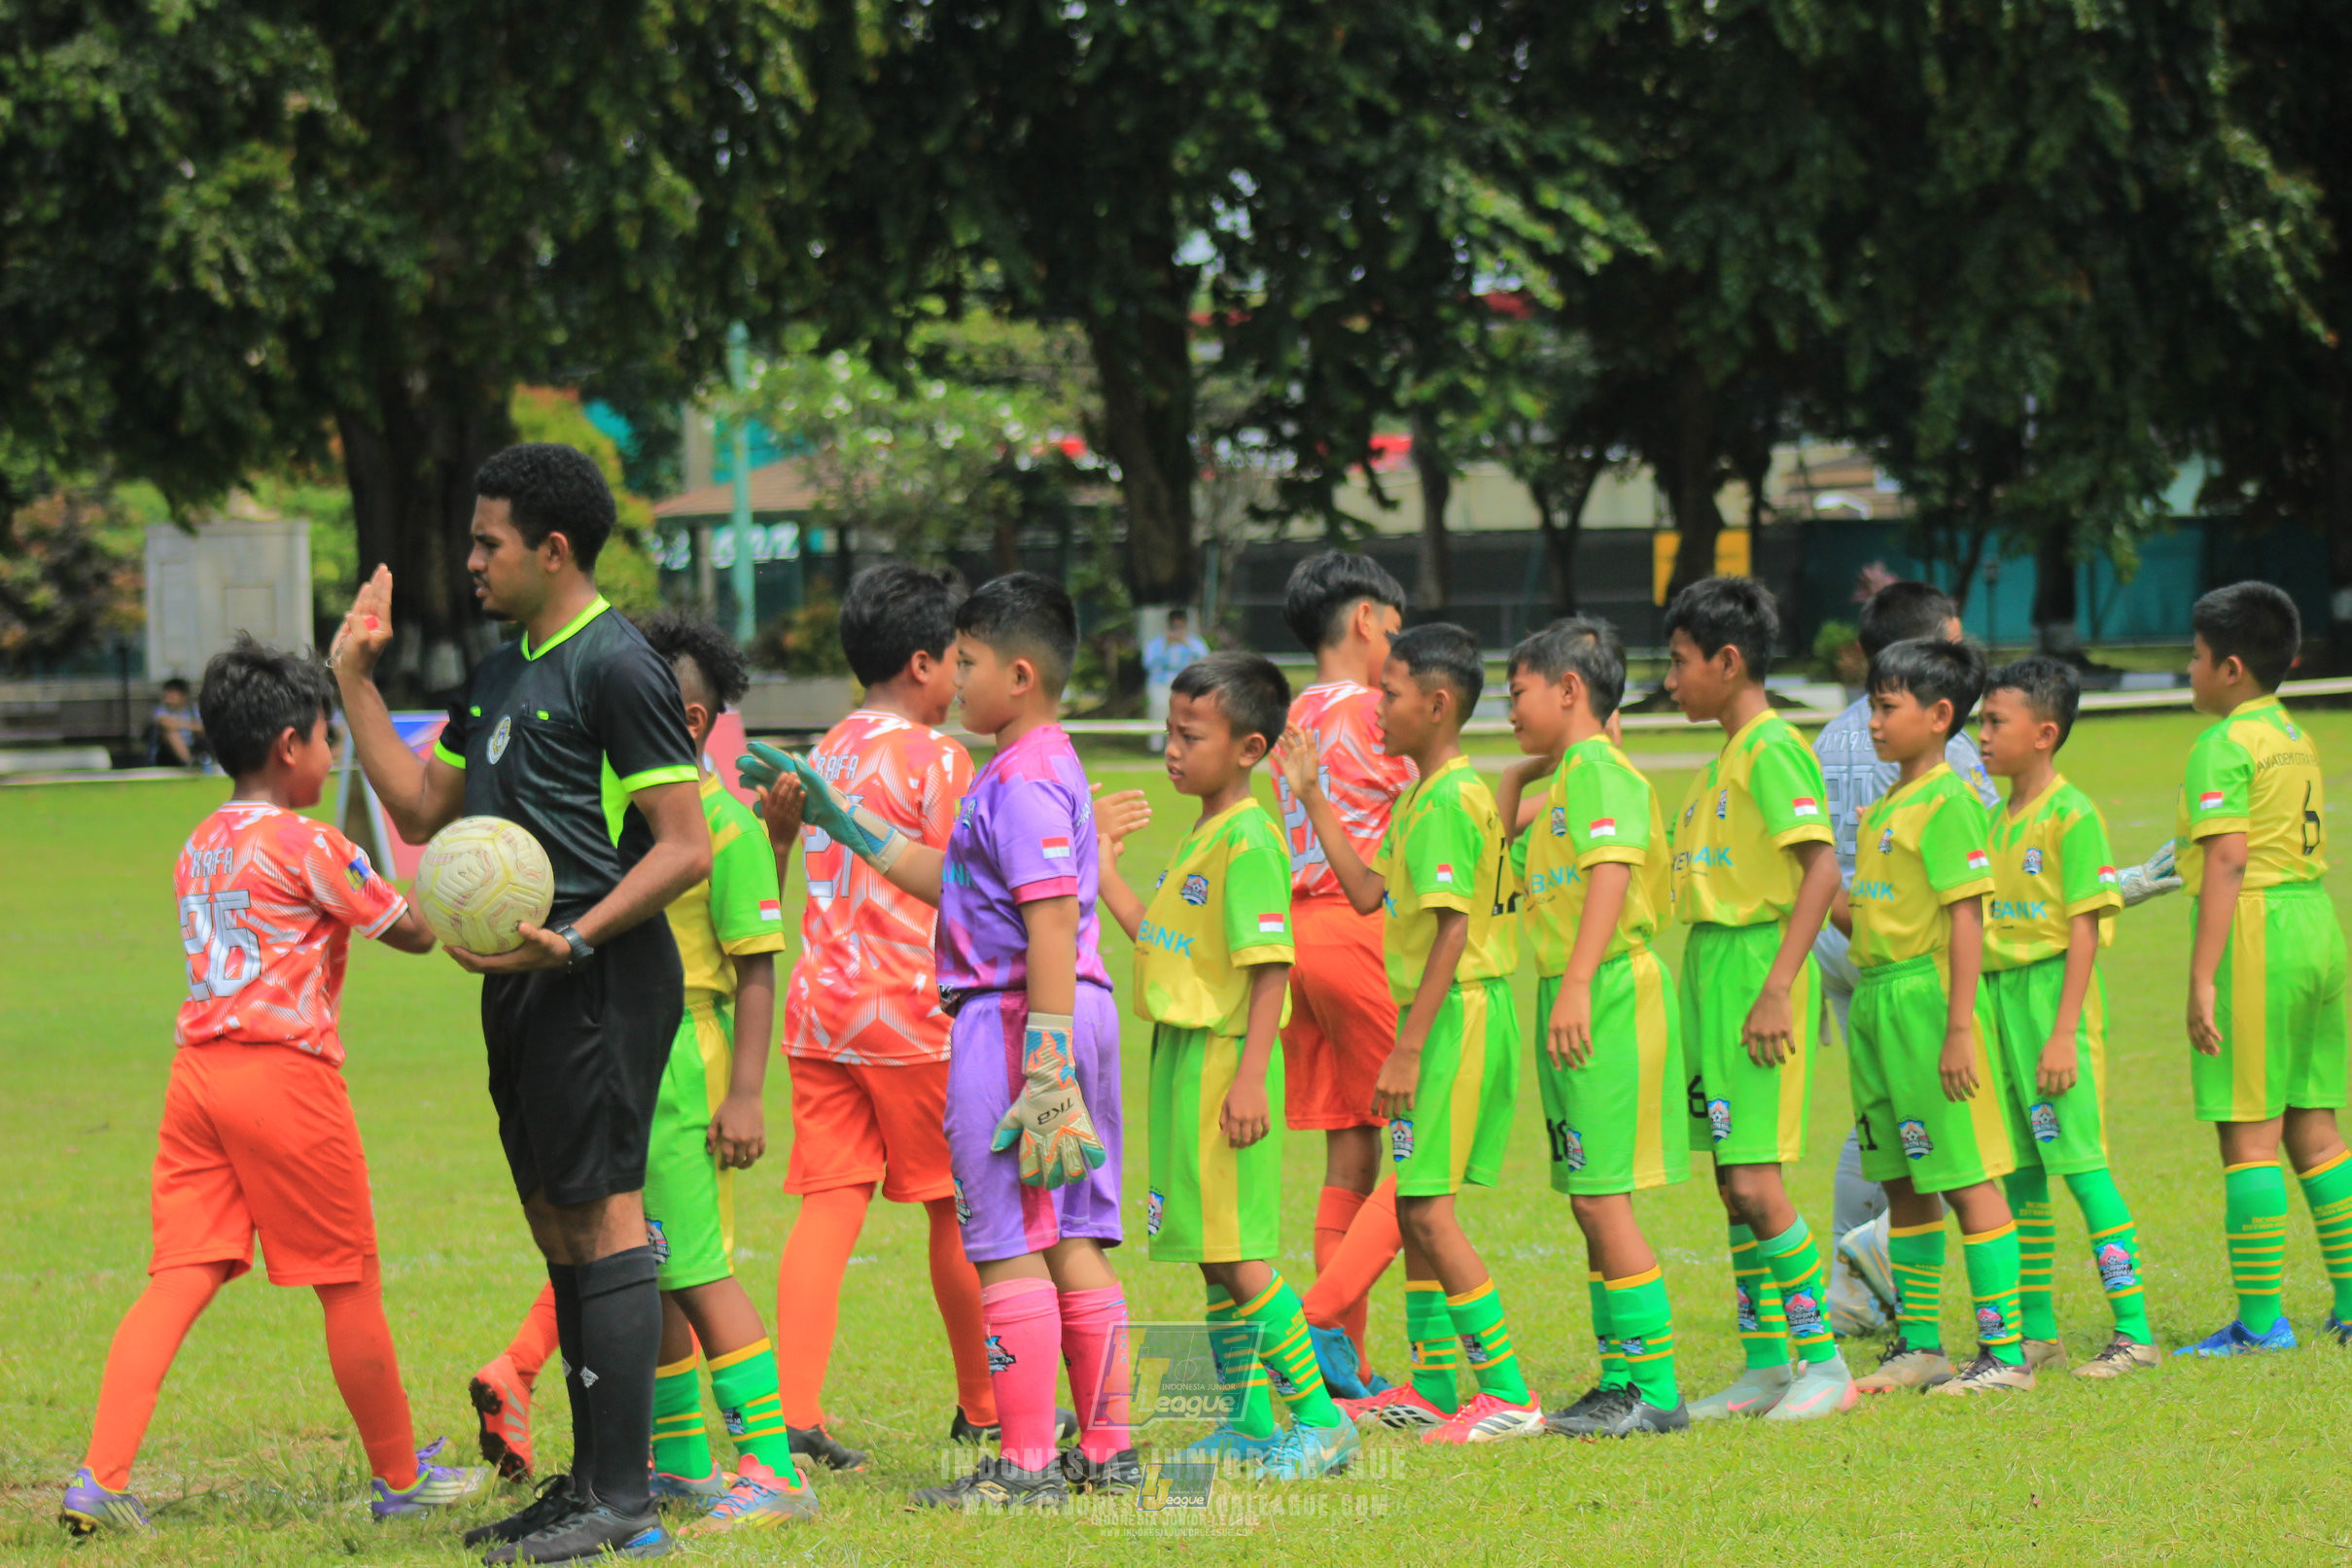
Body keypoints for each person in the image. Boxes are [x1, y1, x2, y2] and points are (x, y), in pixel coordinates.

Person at [333, 443, 714, 1565]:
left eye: (488, 540)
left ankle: (625, 1499)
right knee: (556, 1214)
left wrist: (581, 933)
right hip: (519, 985)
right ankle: (585, 1486)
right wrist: (352, 677)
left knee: (604, 1214)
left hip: (600, 977)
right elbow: (417, 808)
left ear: (553, 548)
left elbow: (685, 845)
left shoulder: (618, 667)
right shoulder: (500, 673)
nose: (471, 560)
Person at [60, 638, 485, 1536]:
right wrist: (463, 885)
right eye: (329, 737)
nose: (333, 754)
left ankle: (99, 1476)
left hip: (198, 1080)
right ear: (292, 745)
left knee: (180, 1272)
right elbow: (410, 932)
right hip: (284, 1080)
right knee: (350, 1278)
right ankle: (401, 1480)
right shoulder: (311, 843)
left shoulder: (199, 841)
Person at [745, 573, 1151, 1509]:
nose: (953, 679)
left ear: (1018, 674)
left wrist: (1043, 1065)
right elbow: (963, 882)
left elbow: (1048, 920)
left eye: (965, 664)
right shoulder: (1018, 765)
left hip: (1017, 1019)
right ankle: (1106, 1447)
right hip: (1054, 1010)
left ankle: (1024, 1464)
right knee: (1072, 1234)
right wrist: (845, 824)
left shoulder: (1026, 774)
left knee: (1004, 1238)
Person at [755, 565, 1001, 1468]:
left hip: (821, 1009)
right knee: (956, 1208)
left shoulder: (822, 751)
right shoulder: (940, 757)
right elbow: (965, 882)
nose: (964, 682)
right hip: (910, 1012)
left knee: (829, 1204)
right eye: (960, 663)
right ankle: (983, 1407)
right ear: (922, 662)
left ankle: (790, 1410)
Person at [1096, 651, 1363, 1480]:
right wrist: (1103, 869)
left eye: (1190, 734)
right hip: (1179, 1055)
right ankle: (1247, 1421)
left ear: (1249, 748)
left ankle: (1320, 1420)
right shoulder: (1202, 831)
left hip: (1222, 1062)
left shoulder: (1247, 839)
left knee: (1239, 1251)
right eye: (1169, 732)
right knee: (1209, 1251)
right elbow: (1165, 941)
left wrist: (1251, 1076)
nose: (1172, 749)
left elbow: (1269, 965)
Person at [1279, 622, 1542, 1444]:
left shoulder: (1446, 802)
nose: (1375, 706)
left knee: (1424, 1205)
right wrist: (1313, 791)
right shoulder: (1425, 796)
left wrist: (1406, 1045)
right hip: (1448, 1011)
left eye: (1388, 693)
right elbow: (1363, 893)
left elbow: (1454, 933)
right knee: (1422, 1202)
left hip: (1454, 1014)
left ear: (1435, 704)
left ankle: (1507, 1394)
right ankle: (1432, 1381)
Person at [1661, 577, 1856, 1421]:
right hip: (1708, 969)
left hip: (1752, 970)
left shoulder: (1774, 749)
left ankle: (1823, 1360)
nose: (1669, 680)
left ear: (1727, 660)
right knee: (1728, 1182)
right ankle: (1766, 1362)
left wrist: (1779, 985)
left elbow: (1819, 867)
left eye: (1679, 661)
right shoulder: (1721, 761)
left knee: (1755, 1180)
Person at [1499, 618, 1692, 1439]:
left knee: (1603, 1196)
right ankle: (1618, 1376)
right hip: (1569, 989)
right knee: (1585, 1198)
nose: (1508, 710)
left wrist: (1577, 982)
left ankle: (1656, 1389)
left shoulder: (1602, 773)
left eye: (1517, 693)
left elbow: (1610, 874)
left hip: (1604, 990)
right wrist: (1521, 766)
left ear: (1567, 690)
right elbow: (1499, 826)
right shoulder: (1570, 776)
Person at [1835, 637, 2035, 1397]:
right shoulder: (1886, 803)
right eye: (1871, 704)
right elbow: (1865, 916)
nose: (1873, 721)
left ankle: (2004, 1354)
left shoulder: (1949, 801)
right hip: (1877, 999)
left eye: (1886, 707)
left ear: (1938, 714)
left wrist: (1958, 1026)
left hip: (1926, 1001)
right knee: (1905, 1179)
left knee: (1965, 1175)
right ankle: (1920, 1344)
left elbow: (1964, 918)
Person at [1809, 583, 1995, 1333]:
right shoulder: (1939, 773)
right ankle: (1933, 1327)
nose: (1879, 721)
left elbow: (1955, 897)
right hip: (1897, 967)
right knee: (1921, 1146)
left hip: (1878, 963)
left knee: (1912, 1140)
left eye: (1890, 708)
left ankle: (1993, 1336)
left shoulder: (1832, 740)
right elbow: (1976, 881)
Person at [2172, 582, 2352, 1355]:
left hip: (2261, 933)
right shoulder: (2291, 733)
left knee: (2247, 1133)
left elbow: (2229, 859)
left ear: (2231, 666)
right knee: (2315, 1122)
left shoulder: (2220, 745)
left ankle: (2258, 1322)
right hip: (2317, 924)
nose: (2188, 667)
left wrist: (2202, 975)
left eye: (2195, 655)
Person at [1975, 656, 2157, 1378]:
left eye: (1995, 722)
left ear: (2043, 732)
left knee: (2081, 1165)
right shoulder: (1994, 818)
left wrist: (2061, 1031)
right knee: (2019, 1169)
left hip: (2052, 999)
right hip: (1997, 1003)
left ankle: (2135, 1330)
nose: (1980, 735)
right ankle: (2036, 1330)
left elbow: (2084, 927)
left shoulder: (2071, 814)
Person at [1268, 552, 1417, 1396]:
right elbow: (1436, 808)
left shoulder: (1298, 712)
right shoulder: (1371, 711)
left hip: (1303, 938)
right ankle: (1317, 1321)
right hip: (1363, 932)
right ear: (1366, 619)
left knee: (1349, 1155)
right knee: (1420, 1153)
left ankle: (1347, 1370)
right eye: (1396, 631)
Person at [1141, 609, 1209, 740]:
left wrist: (1186, 644)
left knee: (1187, 713)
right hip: (1161, 683)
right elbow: (1149, 664)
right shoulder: (1156, 644)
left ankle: (1185, 741)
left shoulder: (1195, 643)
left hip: (1186, 684)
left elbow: (1204, 661)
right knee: (1159, 711)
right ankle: (1157, 745)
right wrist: (1166, 646)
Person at [150, 678, 209, 768]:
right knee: (171, 732)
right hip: (167, 753)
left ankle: (210, 761)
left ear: (183, 696)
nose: (168, 697)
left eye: (173, 694)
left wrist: (182, 725)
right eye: (167, 693)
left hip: (191, 746)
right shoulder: (161, 710)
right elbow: (165, 723)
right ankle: (189, 763)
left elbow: (203, 727)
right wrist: (191, 725)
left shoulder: (192, 711)